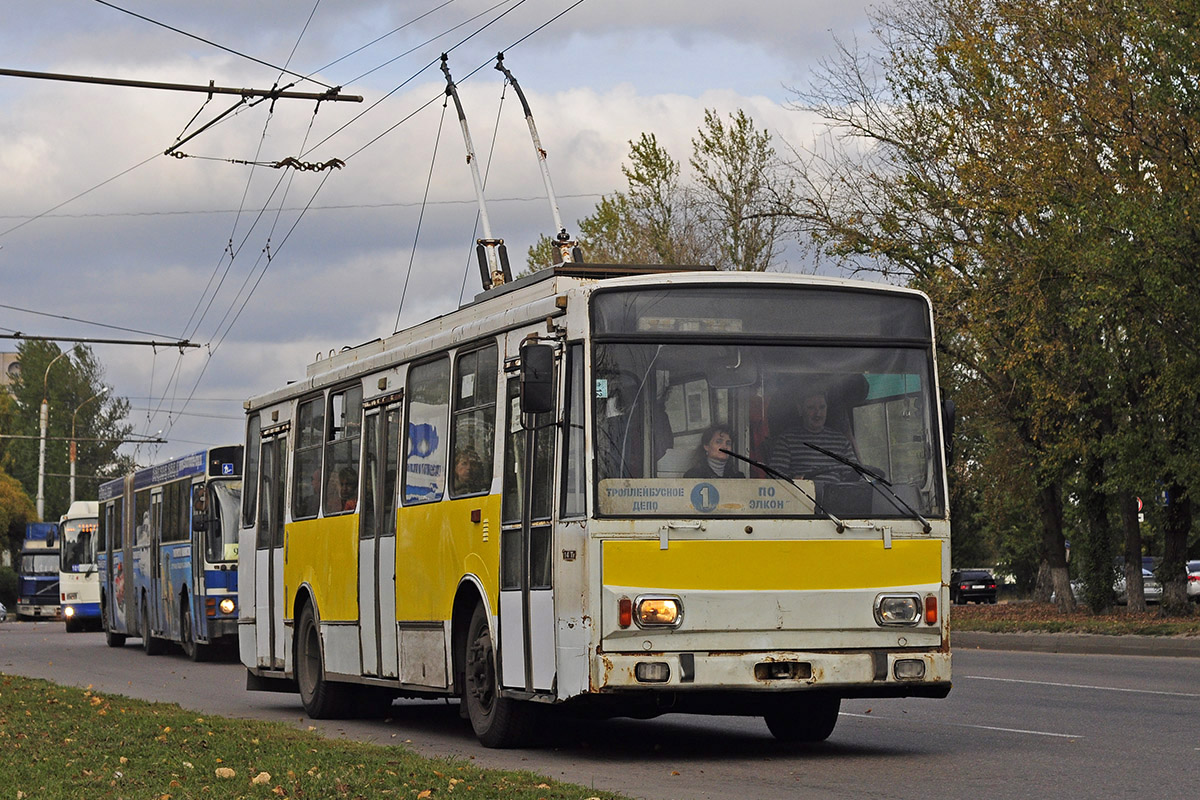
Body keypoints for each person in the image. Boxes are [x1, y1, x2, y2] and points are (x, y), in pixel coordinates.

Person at [769, 390, 860, 482]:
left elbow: (854, 475)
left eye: (822, 407)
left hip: (835, 494)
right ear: (800, 409)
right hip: (801, 495)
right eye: (811, 408)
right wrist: (794, 480)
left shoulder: (841, 441)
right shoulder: (787, 440)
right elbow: (774, 475)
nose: (818, 414)